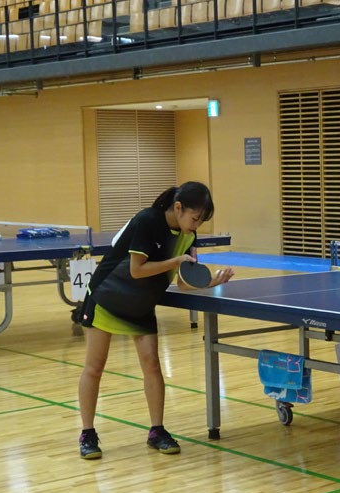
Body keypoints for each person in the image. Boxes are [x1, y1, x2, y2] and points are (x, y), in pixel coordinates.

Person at [75, 182, 235, 460]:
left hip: (141, 304)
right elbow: (137, 270)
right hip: (107, 297)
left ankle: (156, 431)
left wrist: (210, 282)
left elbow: (184, 281)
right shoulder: (147, 221)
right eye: (195, 218)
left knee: (152, 365)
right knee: (95, 367)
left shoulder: (189, 235)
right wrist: (174, 262)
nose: (196, 225)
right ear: (178, 207)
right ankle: (87, 434)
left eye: (201, 221)